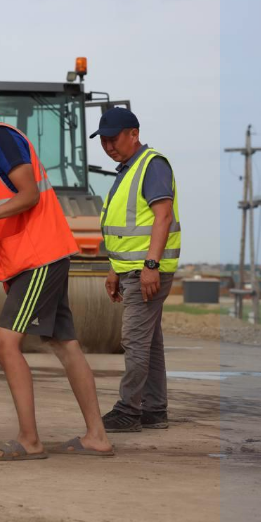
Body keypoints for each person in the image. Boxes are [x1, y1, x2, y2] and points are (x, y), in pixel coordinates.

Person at [0, 77, 113, 460]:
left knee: (5, 343)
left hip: (38, 258)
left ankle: (29, 440)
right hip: (44, 255)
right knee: (65, 344)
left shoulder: (2, 138)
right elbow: (16, 206)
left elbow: (29, 195)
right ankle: (97, 437)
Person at [93, 107, 181, 432]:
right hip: (130, 269)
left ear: (134, 134)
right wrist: (114, 269)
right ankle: (154, 409)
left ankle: (128, 410)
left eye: (113, 139)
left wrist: (151, 266)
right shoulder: (127, 170)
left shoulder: (151, 165)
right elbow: (123, 228)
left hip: (145, 270)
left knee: (134, 340)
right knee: (150, 342)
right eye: (103, 141)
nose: (108, 146)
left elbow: (163, 217)